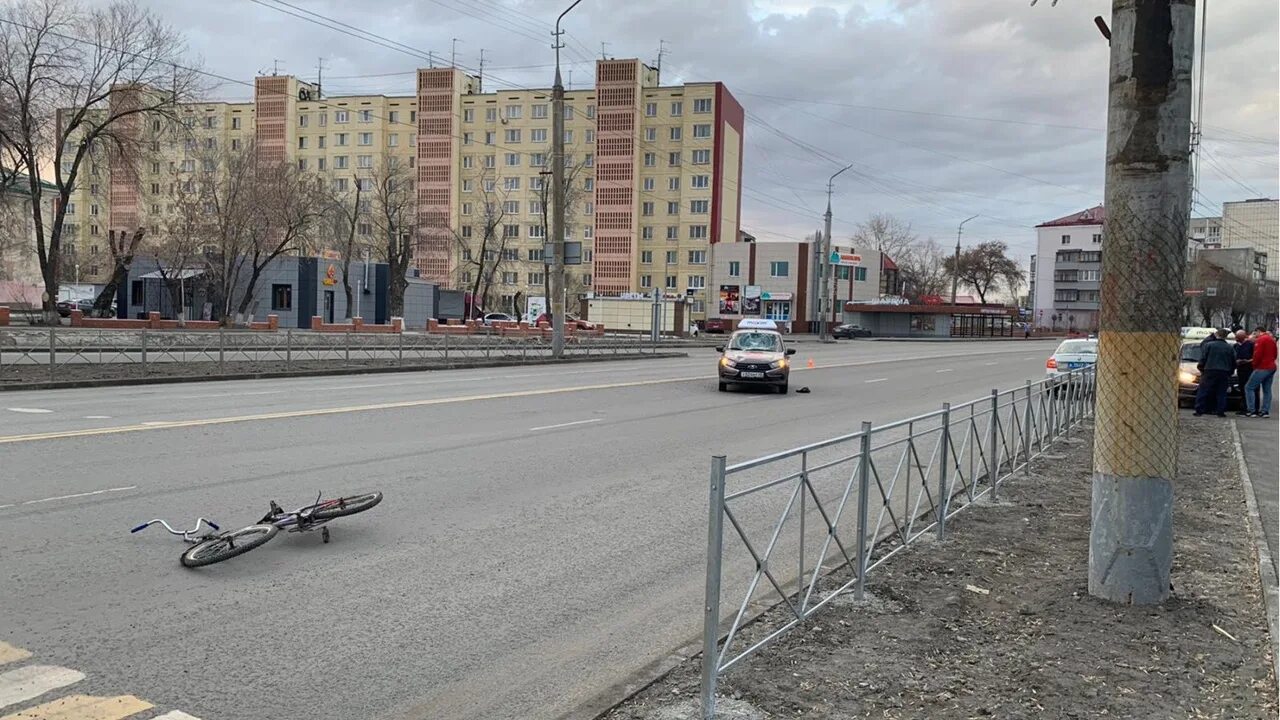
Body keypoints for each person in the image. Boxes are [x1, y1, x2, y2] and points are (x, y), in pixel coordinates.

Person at [1195, 329, 1236, 417]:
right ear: (1225, 336)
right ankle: (1220, 411)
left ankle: (1199, 410)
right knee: (1221, 392)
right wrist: (1230, 372)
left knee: (1203, 390)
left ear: (1217, 335)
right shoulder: (1229, 347)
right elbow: (1233, 361)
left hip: (1209, 370)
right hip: (1224, 372)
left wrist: (1201, 368)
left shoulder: (1209, 345)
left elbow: (1203, 358)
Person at [1245, 326, 1276, 418]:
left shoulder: (1261, 340)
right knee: (1267, 389)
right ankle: (1265, 411)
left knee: (1249, 387)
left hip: (1262, 367)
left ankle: (1251, 410)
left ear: (1258, 331)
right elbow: (1275, 354)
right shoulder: (1271, 339)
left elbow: (1257, 355)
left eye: (1255, 333)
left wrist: (1254, 365)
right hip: (1271, 366)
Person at [1234, 330, 1257, 415]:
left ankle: (1250, 408)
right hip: (1240, 370)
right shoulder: (1236, 346)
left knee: (1248, 389)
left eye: (1238, 337)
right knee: (1242, 389)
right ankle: (1243, 407)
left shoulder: (1250, 345)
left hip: (1249, 370)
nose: (1236, 338)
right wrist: (1236, 361)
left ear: (1243, 337)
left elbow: (1255, 357)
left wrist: (1247, 361)